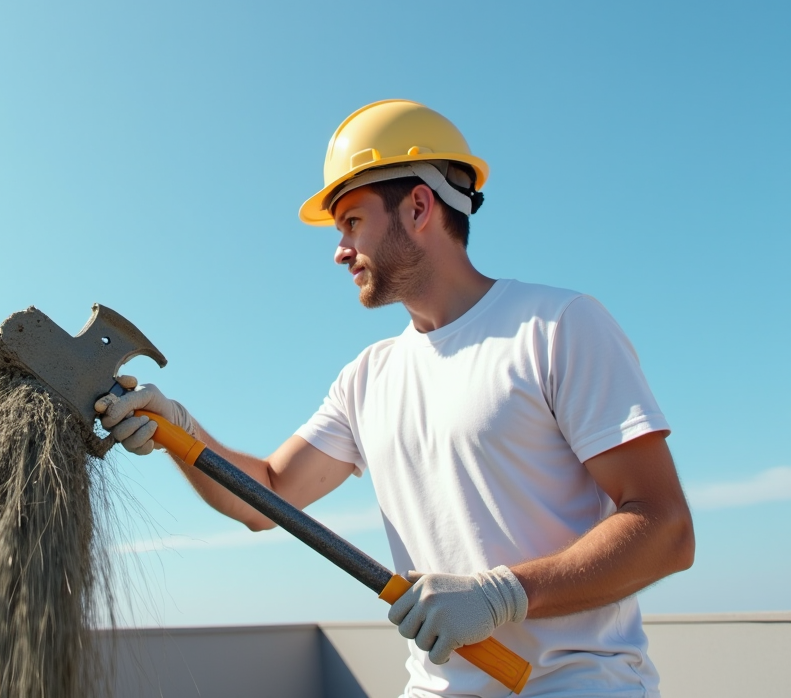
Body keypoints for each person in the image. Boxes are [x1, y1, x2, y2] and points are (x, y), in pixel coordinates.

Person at [95, 99, 694, 697]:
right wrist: (177, 428)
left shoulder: (557, 327)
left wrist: (502, 596)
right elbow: (268, 496)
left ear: (418, 205)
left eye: (352, 221)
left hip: (573, 685)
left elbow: (666, 528)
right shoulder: (368, 377)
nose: (338, 250)